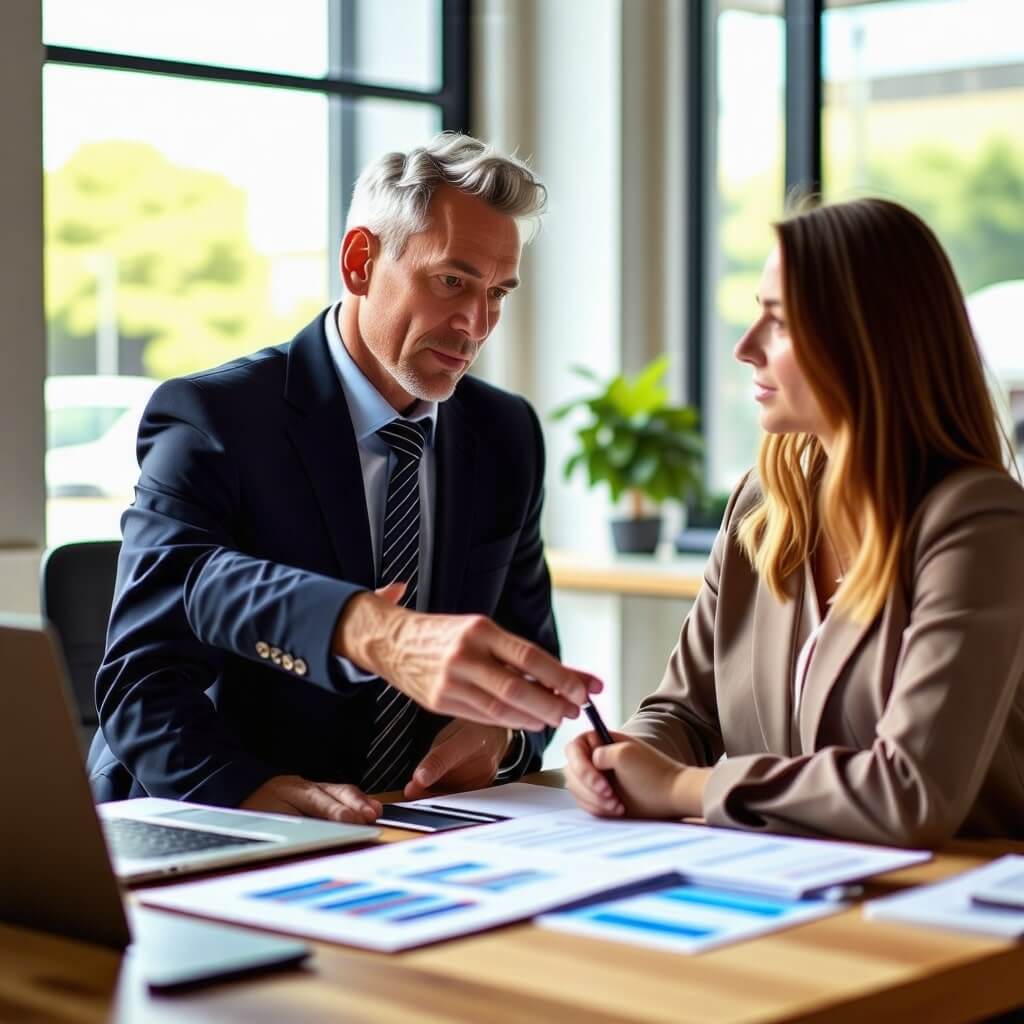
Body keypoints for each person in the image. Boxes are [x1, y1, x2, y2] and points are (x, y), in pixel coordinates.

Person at [88, 132, 601, 823]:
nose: (475, 325)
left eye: (497, 293)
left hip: (414, 828)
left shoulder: (504, 433)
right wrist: (249, 794)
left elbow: (529, 654)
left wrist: (502, 732)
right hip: (212, 816)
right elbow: (142, 681)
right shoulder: (216, 417)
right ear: (361, 261)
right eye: (451, 281)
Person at [565, 197, 1024, 847]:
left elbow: (910, 793)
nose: (745, 348)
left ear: (868, 342)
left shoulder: (978, 522)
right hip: (791, 895)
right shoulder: (763, 504)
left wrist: (676, 789)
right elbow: (684, 713)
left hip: (953, 913)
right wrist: (617, 760)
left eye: (778, 324)